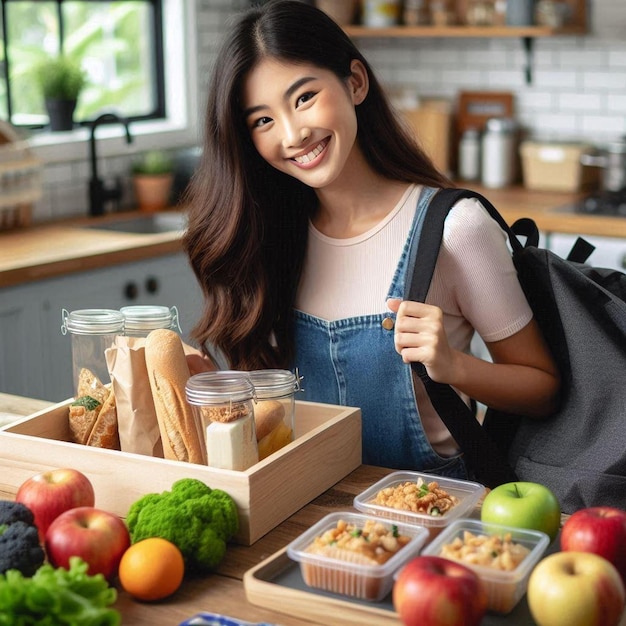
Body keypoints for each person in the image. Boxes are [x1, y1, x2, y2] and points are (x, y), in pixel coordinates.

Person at [182, 0, 560, 479]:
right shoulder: (272, 236)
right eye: (263, 120)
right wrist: (220, 390)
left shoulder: (454, 228)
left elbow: (543, 388)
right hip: (309, 514)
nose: (293, 134)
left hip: (433, 516)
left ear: (355, 82)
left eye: (303, 98)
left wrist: (454, 365)